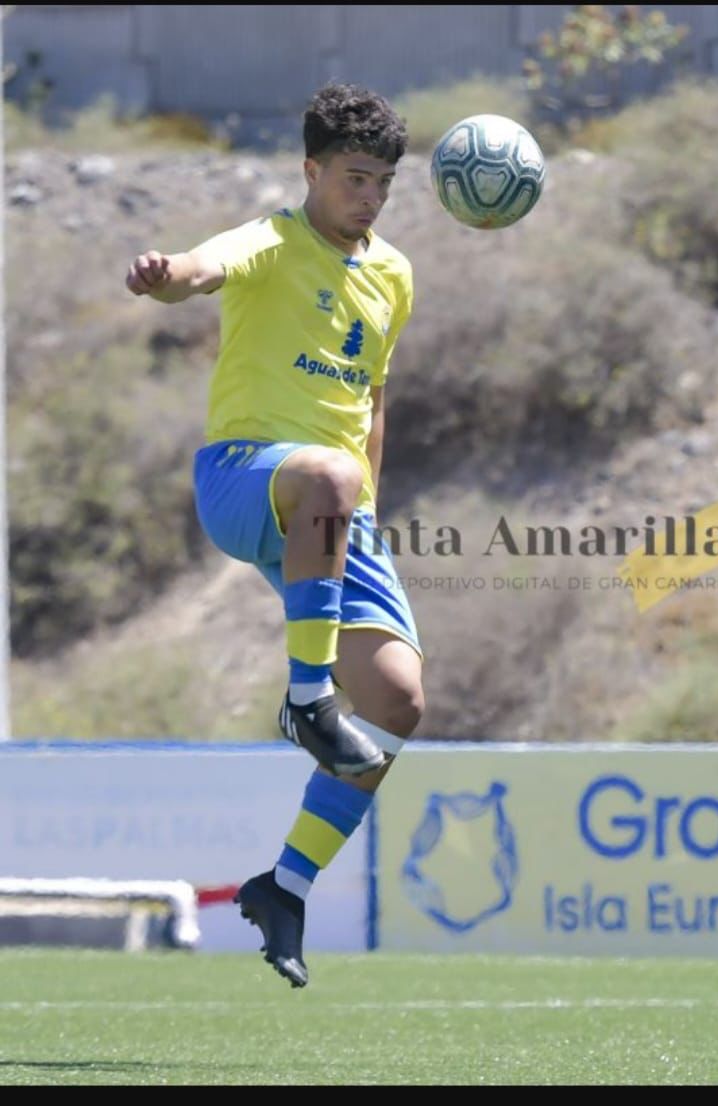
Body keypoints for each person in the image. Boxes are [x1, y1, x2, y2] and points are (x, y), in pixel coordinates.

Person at [125, 83, 424, 988]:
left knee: (398, 704)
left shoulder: (395, 276)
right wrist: (163, 274)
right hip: (243, 478)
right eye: (352, 177)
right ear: (312, 171)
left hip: (335, 511)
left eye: (382, 182)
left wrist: (365, 504)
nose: (367, 196)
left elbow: (371, 400)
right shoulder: (270, 240)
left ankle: (284, 885)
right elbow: (197, 270)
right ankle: (304, 702)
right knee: (328, 476)